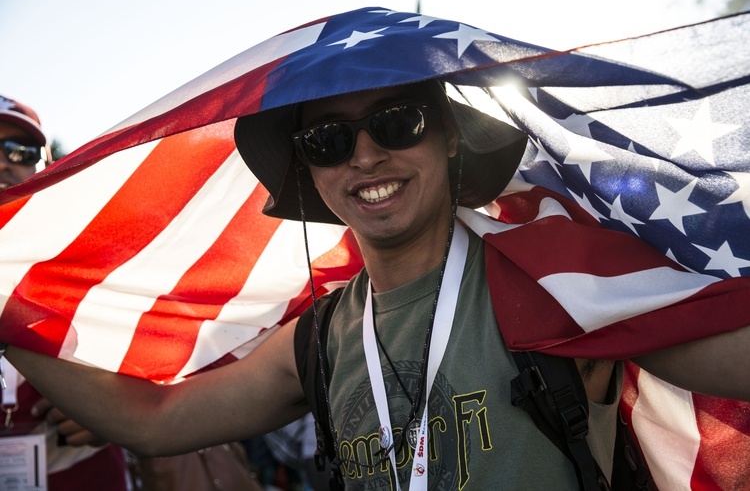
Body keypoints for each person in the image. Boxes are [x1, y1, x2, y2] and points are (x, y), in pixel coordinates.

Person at [2, 76, 748, 491]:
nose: (363, 156)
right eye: (327, 140)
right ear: (308, 170)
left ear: (449, 133)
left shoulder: (548, 277)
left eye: (395, 123)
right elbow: (155, 421)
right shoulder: (320, 338)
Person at [0, 94, 129, 490]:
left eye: (20, 150)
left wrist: (119, 409)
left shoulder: (97, 255)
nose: (4, 161)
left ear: (46, 165)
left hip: (85, 476)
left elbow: (169, 352)